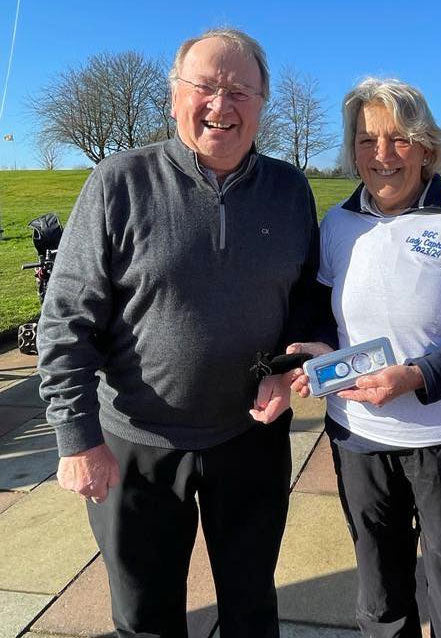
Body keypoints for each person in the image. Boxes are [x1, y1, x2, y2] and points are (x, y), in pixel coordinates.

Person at [37, 28, 320, 638]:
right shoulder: (119, 183)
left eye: (240, 90)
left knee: (251, 608)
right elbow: (66, 320)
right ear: (174, 97)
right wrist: (76, 438)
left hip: (250, 441)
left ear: (263, 103)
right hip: (135, 445)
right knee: (145, 617)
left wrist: (283, 366)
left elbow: (305, 301)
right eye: (205, 87)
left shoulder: (290, 190)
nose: (222, 105)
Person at [288, 78, 441, 638]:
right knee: (381, 599)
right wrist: (319, 347)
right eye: (366, 141)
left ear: (424, 146)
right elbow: (322, 315)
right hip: (360, 439)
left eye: (397, 140)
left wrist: (416, 376)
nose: (382, 155)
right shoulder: (338, 225)